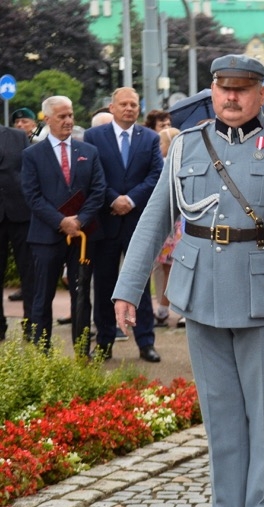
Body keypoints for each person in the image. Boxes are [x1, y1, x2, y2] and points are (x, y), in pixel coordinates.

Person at [112, 54, 264, 507]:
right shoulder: (188, 145)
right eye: (222, 88)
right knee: (219, 408)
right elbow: (155, 219)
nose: (231, 98)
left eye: (242, 89)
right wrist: (127, 288)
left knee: (263, 409)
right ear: (212, 91)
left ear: (261, 95)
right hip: (200, 288)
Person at [84, 87, 164, 363]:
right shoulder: (94, 136)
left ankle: (146, 342)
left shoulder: (150, 138)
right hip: (106, 222)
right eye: (124, 104)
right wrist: (113, 199)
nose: (129, 108)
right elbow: (92, 175)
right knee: (104, 284)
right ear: (112, 107)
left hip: (137, 222)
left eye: (134, 104)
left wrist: (130, 199)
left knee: (139, 283)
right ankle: (104, 342)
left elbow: (156, 174)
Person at [21, 96, 106, 354]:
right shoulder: (32, 154)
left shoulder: (89, 152)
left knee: (81, 296)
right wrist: (61, 221)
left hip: (82, 236)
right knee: (42, 296)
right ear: (47, 120)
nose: (68, 120)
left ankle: (82, 352)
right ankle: (41, 353)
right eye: (62, 116)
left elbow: (98, 190)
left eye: (70, 115)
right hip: (46, 237)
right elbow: (32, 195)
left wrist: (79, 220)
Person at [0, 124, 34, 337]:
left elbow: (30, 171)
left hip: (21, 214)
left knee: (29, 274)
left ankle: (32, 324)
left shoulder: (18, 137)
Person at [151, 127, 182, 327]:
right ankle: (163, 308)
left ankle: (165, 309)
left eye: (160, 143)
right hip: (173, 225)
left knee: (170, 268)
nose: (158, 148)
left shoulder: (168, 165)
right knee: (165, 268)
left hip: (174, 226)